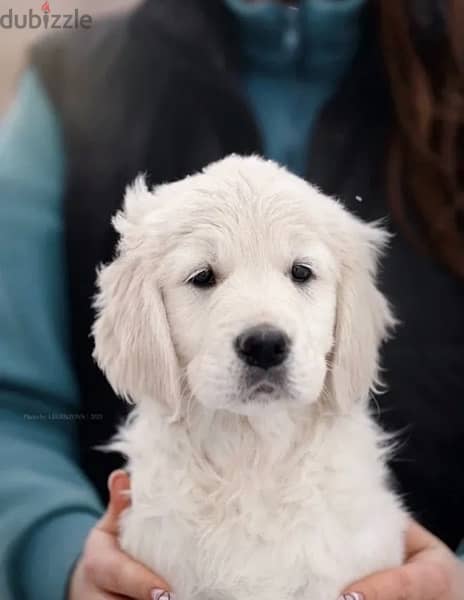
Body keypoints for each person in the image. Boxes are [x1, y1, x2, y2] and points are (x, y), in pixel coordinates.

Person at [0, 1, 463, 599]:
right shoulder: (75, 77)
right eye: (202, 277)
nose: (263, 327)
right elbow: (10, 406)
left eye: (302, 271)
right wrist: (62, 564)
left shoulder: (451, 53)